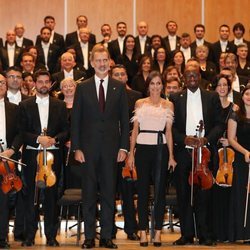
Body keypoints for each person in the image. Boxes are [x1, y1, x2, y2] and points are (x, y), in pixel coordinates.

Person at [71, 44, 129, 249]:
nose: (102, 64)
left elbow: (124, 120)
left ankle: (106, 236)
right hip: (87, 151)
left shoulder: (119, 87)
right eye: (98, 60)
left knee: (108, 194)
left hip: (112, 151)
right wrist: (76, 148)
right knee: (88, 195)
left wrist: (124, 148)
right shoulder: (83, 87)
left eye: (105, 60)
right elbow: (75, 120)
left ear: (109, 62)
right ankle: (89, 237)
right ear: (92, 62)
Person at [169, 65, 223, 246]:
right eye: (188, 75)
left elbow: (219, 124)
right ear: (184, 78)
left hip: (205, 153)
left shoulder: (212, 96)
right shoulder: (175, 98)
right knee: (184, 195)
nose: (192, 77)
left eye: (195, 74)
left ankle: (205, 234)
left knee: (204, 196)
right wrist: (184, 139)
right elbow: (171, 128)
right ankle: (186, 234)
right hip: (184, 153)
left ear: (200, 76)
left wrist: (206, 139)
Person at [19, 70, 69, 247]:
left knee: (51, 199)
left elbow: (66, 130)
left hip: (53, 157)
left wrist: (54, 139)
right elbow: (21, 132)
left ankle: (51, 236)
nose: (43, 85)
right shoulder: (24, 105)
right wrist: (38, 139)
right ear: (35, 84)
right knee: (31, 197)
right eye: (40, 82)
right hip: (32, 155)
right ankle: (29, 236)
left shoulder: (60, 105)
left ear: (51, 84)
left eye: (47, 82)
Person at [127, 70, 176, 247]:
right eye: (152, 83)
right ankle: (142, 231)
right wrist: (131, 153)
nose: (155, 86)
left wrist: (171, 156)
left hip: (160, 148)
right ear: (148, 85)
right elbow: (134, 131)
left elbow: (169, 132)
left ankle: (157, 232)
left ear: (162, 85)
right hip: (142, 147)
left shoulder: (168, 105)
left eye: (158, 83)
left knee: (160, 191)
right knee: (141, 191)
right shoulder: (140, 103)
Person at [111, 64, 142, 241]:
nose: (120, 76)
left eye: (123, 74)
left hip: (129, 149)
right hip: (109, 150)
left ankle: (131, 228)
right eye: (116, 74)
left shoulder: (136, 97)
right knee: (109, 191)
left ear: (126, 78)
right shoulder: (105, 95)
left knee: (128, 191)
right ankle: (110, 228)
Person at [212, 74, 238, 242]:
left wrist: (230, 141)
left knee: (228, 193)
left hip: (229, 154)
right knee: (215, 194)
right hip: (213, 152)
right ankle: (216, 233)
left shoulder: (235, 108)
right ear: (215, 87)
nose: (222, 87)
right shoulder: (210, 105)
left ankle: (228, 233)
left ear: (229, 88)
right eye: (219, 85)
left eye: (225, 85)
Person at [0, 74, 22, 249]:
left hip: (6, 161)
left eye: (2, 83)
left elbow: (19, 133)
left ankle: (1, 237)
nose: (0, 85)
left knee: (3, 200)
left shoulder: (14, 108)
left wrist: (12, 150)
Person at [228, 84, 250, 243]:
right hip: (242, 159)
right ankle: (241, 234)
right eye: (247, 94)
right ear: (242, 96)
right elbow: (230, 139)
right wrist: (246, 152)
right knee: (241, 195)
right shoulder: (235, 115)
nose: (249, 97)